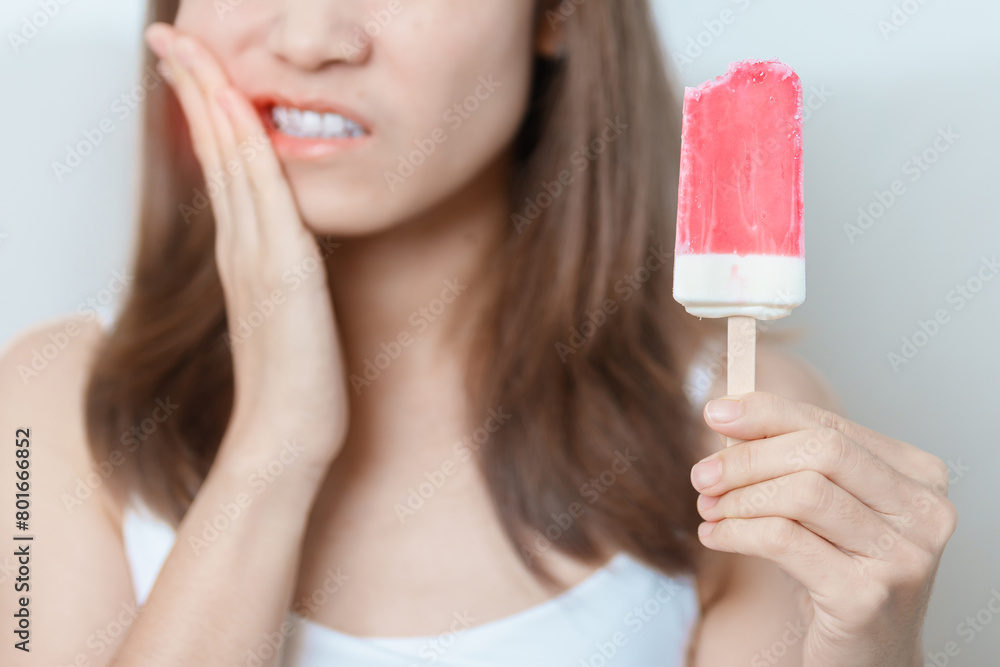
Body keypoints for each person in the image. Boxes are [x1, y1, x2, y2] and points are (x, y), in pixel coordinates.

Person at [0, 1, 956, 665]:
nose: (308, 38)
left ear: (557, 13)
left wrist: (869, 651)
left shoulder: (739, 435)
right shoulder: (43, 412)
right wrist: (273, 449)